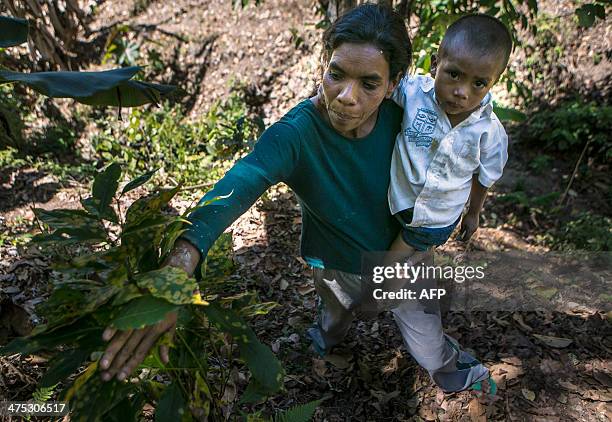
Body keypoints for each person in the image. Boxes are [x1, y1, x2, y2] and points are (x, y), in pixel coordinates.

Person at [99, 4, 492, 396]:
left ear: (393, 84)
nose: (346, 97)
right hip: (335, 265)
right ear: (324, 65)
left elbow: (467, 149)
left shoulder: (410, 120)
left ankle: (451, 372)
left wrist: (468, 209)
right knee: (335, 319)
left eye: (369, 84)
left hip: (403, 256)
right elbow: (242, 181)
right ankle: (325, 339)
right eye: (336, 75)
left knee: (425, 334)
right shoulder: (297, 133)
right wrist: (183, 258)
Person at [388, 14, 511, 260]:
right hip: (398, 201)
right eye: (454, 74)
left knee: (391, 261)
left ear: (493, 83)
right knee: (414, 258)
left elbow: (485, 178)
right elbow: (382, 86)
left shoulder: (489, 132)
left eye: (478, 83)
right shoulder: (413, 92)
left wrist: (473, 213)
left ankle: (372, 298)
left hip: (437, 218)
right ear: (435, 65)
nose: (461, 92)